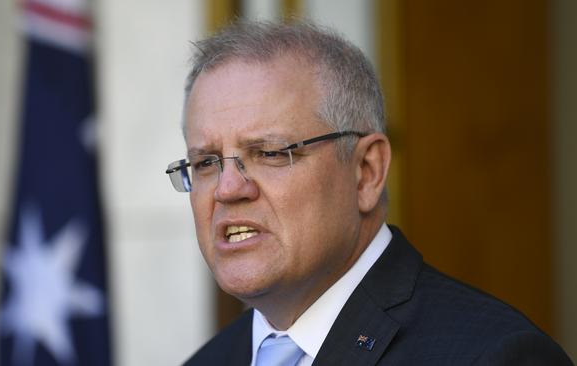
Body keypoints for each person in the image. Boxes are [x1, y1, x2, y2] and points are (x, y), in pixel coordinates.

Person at [165, 20, 573, 365]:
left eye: (269, 153)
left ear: (366, 172)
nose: (227, 188)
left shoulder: (494, 356)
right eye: (205, 162)